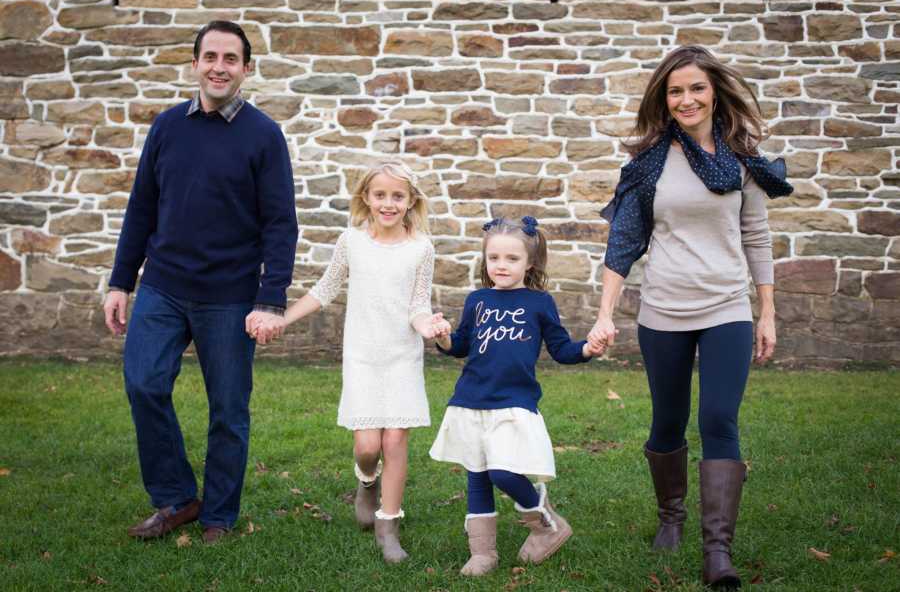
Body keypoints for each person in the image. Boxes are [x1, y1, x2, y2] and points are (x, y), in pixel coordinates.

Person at [588, 45, 793, 588]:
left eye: (696, 88)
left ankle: (717, 551)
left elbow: (756, 236)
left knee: (719, 420)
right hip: (664, 311)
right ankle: (670, 517)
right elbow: (623, 243)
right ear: (665, 99)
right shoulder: (650, 164)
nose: (686, 99)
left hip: (728, 307)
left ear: (714, 92)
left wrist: (767, 312)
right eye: (675, 91)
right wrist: (605, 313)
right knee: (668, 421)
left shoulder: (743, 159)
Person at [103, 20, 298, 545]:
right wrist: (121, 281)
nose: (218, 67)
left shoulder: (263, 135)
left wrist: (271, 299)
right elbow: (142, 206)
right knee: (144, 384)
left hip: (230, 298)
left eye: (230, 58)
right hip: (163, 288)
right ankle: (176, 498)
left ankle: (218, 515)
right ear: (195, 64)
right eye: (209, 56)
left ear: (245, 69)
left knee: (228, 411)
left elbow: (280, 223)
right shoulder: (167, 127)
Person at [249, 161, 443, 563]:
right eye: (380, 195)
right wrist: (282, 318)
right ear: (366, 199)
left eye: (397, 196)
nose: (388, 203)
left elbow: (419, 304)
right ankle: (366, 481)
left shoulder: (421, 248)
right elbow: (325, 288)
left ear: (410, 202)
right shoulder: (351, 241)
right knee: (368, 445)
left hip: (402, 356)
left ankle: (389, 525)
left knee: (395, 440)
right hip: (363, 357)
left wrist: (428, 326)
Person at [428, 216, 606, 577]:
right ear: (485, 261)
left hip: (513, 403)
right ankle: (482, 553)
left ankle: (545, 523)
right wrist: (444, 338)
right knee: (477, 474)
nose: (501, 265)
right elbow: (461, 345)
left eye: (511, 259)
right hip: (470, 400)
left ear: (530, 262)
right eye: (493, 258)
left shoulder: (539, 303)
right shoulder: (478, 299)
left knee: (502, 472)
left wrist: (587, 348)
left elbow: (560, 348)